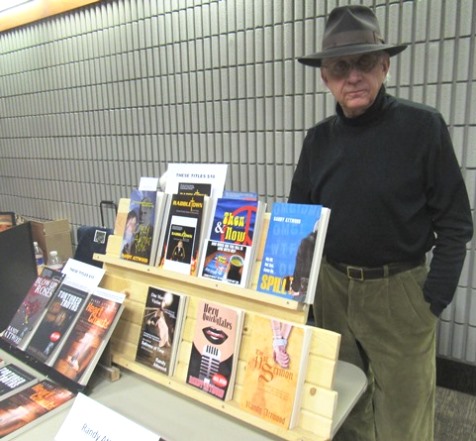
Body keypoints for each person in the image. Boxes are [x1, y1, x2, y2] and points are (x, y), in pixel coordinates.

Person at [289, 5, 473, 441]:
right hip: (333, 290)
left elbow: (456, 223)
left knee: (405, 413)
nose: (353, 76)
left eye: (365, 63)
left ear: (385, 66)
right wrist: (300, 298)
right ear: (325, 77)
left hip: (402, 293)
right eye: (340, 66)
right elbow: (300, 221)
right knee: (346, 404)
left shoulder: (422, 127)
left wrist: (433, 300)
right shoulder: (318, 141)